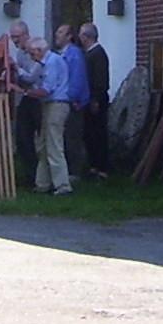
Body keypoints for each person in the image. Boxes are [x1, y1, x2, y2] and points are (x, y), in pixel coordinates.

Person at [31, 32, 75, 195]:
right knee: (43, 145)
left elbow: (46, 90)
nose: (31, 56)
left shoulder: (52, 62)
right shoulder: (47, 62)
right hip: (49, 105)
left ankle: (63, 185)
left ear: (39, 50)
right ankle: (42, 183)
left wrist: (26, 92)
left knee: (54, 145)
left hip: (56, 105)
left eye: (32, 52)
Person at [4, 17, 41, 182]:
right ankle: (30, 174)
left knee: (42, 137)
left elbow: (33, 76)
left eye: (17, 37)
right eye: (12, 38)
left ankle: (41, 177)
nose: (14, 41)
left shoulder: (36, 49)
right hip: (27, 97)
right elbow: (22, 79)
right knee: (22, 137)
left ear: (26, 34)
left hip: (40, 97)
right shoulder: (20, 53)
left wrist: (16, 68)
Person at [54, 23, 90, 177]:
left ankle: (74, 172)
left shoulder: (74, 54)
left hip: (72, 103)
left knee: (72, 137)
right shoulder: (61, 54)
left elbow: (77, 77)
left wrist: (72, 98)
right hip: (63, 101)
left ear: (69, 36)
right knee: (64, 136)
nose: (57, 35)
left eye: (61, 32)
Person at [79, 22, 112, 179]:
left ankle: (102, 168)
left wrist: (95, 99)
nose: (79, 37)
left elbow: (100, 79)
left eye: (81, 34)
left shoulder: (98, 54)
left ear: (87, 37)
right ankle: (93, 165)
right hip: (90, 98)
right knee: (90, 133)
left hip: (96, 99)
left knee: (98, 133)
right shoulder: (89, 54)